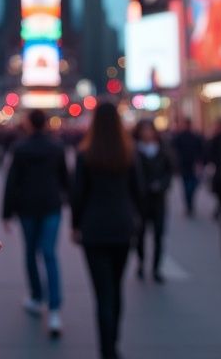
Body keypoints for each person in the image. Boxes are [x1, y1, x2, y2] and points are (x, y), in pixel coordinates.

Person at [71, 101, 140, 359]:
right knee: (117, 287)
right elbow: (138, 192)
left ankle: (106, 350)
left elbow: (78, 195)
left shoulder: (85, 155)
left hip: (94, 229)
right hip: (122, 227)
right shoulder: (129, 153)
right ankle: (114, 343)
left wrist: (75, 225)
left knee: (102, 293)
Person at [2, 109, 69, 338]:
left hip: (27, 207)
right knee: (50, 254)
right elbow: (65, 179)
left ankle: (36, 297)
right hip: (52, 206)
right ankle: (55, 310)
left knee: (31, 252)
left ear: (29, 124)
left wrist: (6, 213)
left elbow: (12, 182)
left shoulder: (20, 148)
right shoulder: (57, 147)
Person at [133, 119, 174, 283]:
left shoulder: (163, 149)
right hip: (141, 201)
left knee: (158, 235)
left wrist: (162, 185)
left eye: (150, 130)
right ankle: (141, 262)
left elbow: (169, 171)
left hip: (158, 200)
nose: (147, 133)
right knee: (140, 235)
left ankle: (156, 268)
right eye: (144, 130)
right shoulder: (134, 151)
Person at [170, 117, 205, 218]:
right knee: (187, 186)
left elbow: (201, 150)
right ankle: (189, 205)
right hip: (185, 165)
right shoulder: (181, 137)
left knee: (190, 185)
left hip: (190, 165)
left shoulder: (194, 136)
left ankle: (189, 204)